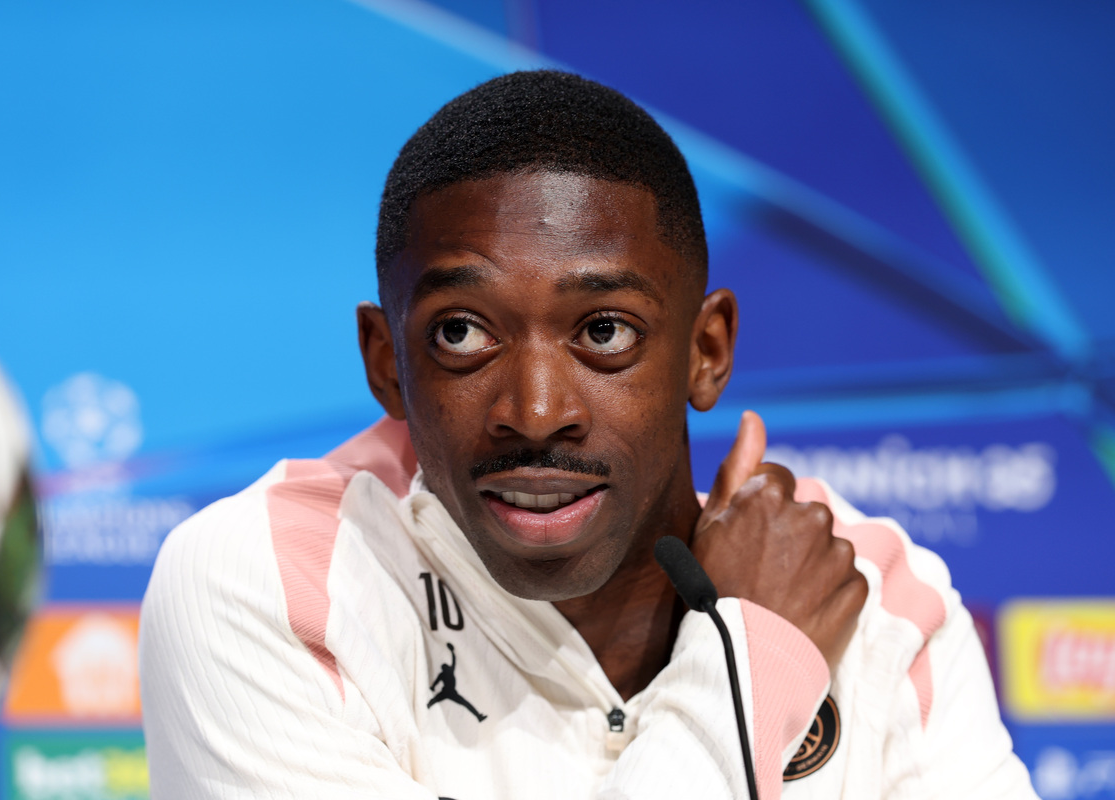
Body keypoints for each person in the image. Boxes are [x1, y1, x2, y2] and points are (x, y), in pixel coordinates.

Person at [139, 70, 1035, 799]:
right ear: (386, 364)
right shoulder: (268, 580)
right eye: (462, 332)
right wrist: (753, 657)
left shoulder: (878, 597)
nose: (535, 413)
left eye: (604, 331)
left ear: (707, 351)